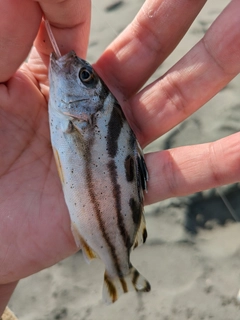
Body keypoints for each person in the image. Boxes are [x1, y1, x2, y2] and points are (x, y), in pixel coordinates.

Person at [0, 0, 239, 314]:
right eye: (88, 77)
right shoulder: (73, 118)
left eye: (84, 77)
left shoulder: (76, 118)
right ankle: (120, 269)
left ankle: (118, 268)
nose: (75, 65)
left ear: (88, 107)